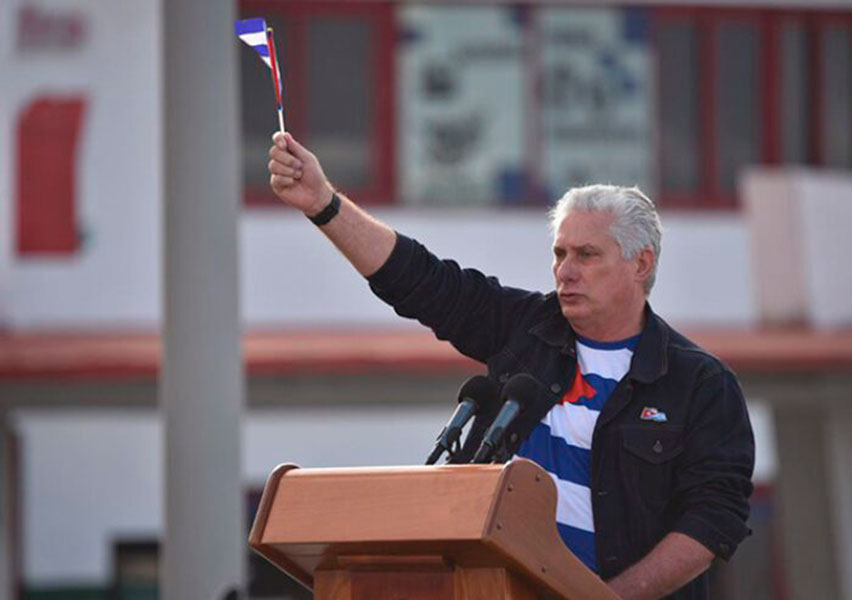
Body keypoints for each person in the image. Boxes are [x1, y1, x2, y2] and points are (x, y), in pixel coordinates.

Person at [267, 132, 755, 600]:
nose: (566, 271)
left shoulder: (699, 383)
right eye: (559, 253)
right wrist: (323, 204)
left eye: (587, 255)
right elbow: (419, 280)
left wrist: (603, 599)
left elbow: (711, 521)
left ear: (641, 264)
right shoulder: (522, 328)